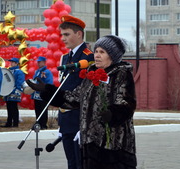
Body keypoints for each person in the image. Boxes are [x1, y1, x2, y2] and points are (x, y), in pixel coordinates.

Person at [27, 35, 137, 169]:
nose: (97, 55)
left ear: (113, 56)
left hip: (114, 144)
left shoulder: (121, 74)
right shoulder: (92, 74)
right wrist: (48, 90)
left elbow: (126, 103)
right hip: (91, 142)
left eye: (102, 52)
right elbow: (75, 98)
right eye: (96, 51)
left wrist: (112, 114)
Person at [55, 15, 94, 169]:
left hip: (80, 119)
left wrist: (85, 125)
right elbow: (63, 89)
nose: (63, 38)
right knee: (71, 163)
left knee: (81, 163)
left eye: (67, 34)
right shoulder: (64, 59)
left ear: (79, 34)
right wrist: (61, 121)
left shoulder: (89, 58)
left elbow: (91, 92)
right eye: (61, 35)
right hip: (66, 119)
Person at [1, 58, 25, 128]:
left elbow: (20, 82)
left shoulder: (19, 72)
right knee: (9, 107)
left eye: (13, 62)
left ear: (16, 63)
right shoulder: (9, 71)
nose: (11, 63)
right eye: (11, 62)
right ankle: (9, 122)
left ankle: (15, 123)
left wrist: (16, 89)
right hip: (8, 92)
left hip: (14, 92)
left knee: (14, 107)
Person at [31, 56, 53, 130]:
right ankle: (38, 123)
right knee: (37, 109)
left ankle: (43, 124)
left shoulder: (47, 72)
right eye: (38, 62)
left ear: (44, 62)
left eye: (40, 62)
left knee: (43, 109)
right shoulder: (37, 72)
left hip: (43, 93)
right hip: (36, 94)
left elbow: (49, 83)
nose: (38, 63)